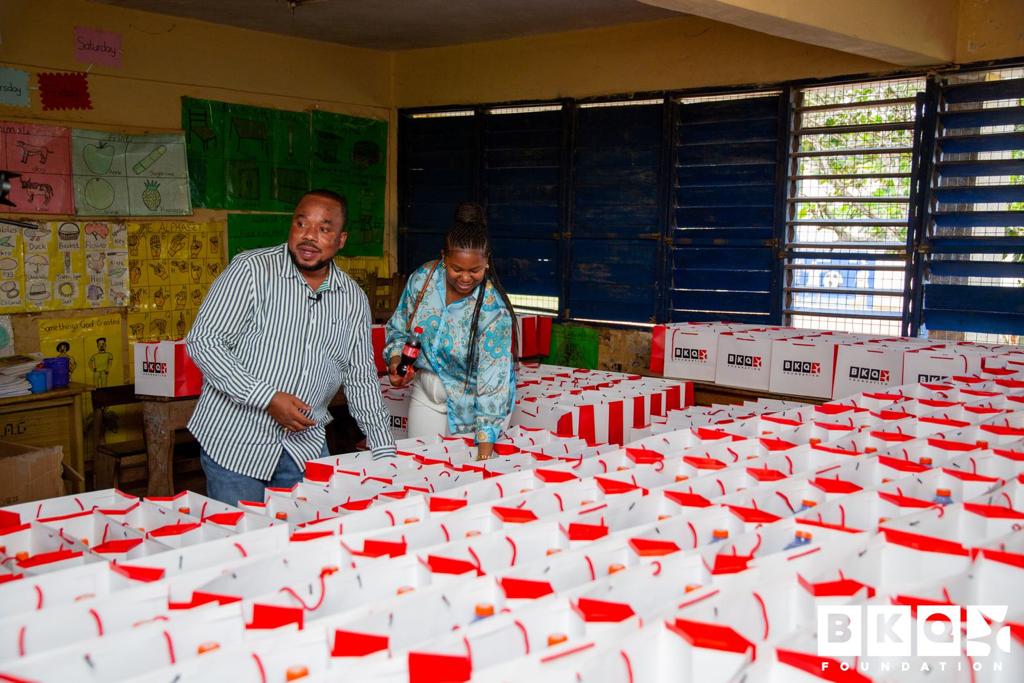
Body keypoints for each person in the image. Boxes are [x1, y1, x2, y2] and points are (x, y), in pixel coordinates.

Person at [187, 189, 396, 505]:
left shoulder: (352, 297)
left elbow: (360, 376)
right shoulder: (252, 271)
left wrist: (384, 451)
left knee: (305, 542)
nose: (309, 236)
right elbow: (205, 342)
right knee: (243, 544)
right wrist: (267, 398)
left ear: (341, 240)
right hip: (236, 442)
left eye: (324, 229)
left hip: (304, 447)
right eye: (301, 224)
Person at [384, 203, 516, 460]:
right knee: (420, 467)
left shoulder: (493, 312)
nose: (465, 278)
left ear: (486, 263)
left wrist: (484, 455)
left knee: (465, 482)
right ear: (443, 257)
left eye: (475, 270)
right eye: (457, 269)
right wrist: (397, 361)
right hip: (427, 393)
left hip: (475, 407)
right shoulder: (422, 280)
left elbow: (493, 386)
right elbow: (398, 329)